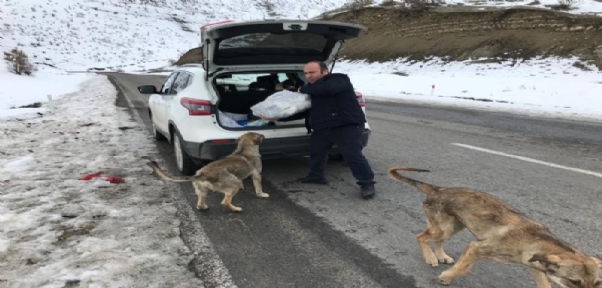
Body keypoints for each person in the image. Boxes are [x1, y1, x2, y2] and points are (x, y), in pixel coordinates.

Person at [261, 61, 376, 199]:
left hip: (347, 125)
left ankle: (367, 183)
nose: (308, 76)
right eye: (306, 73)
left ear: (325, 71)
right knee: (317, 152)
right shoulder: (312, 88)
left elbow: (328, 89)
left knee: (352, 155)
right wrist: (277, 118)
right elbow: (302, 110)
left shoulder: (339, 79)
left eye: (312, 72)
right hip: (323, 126)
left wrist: (301, 90)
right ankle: (316, 176)